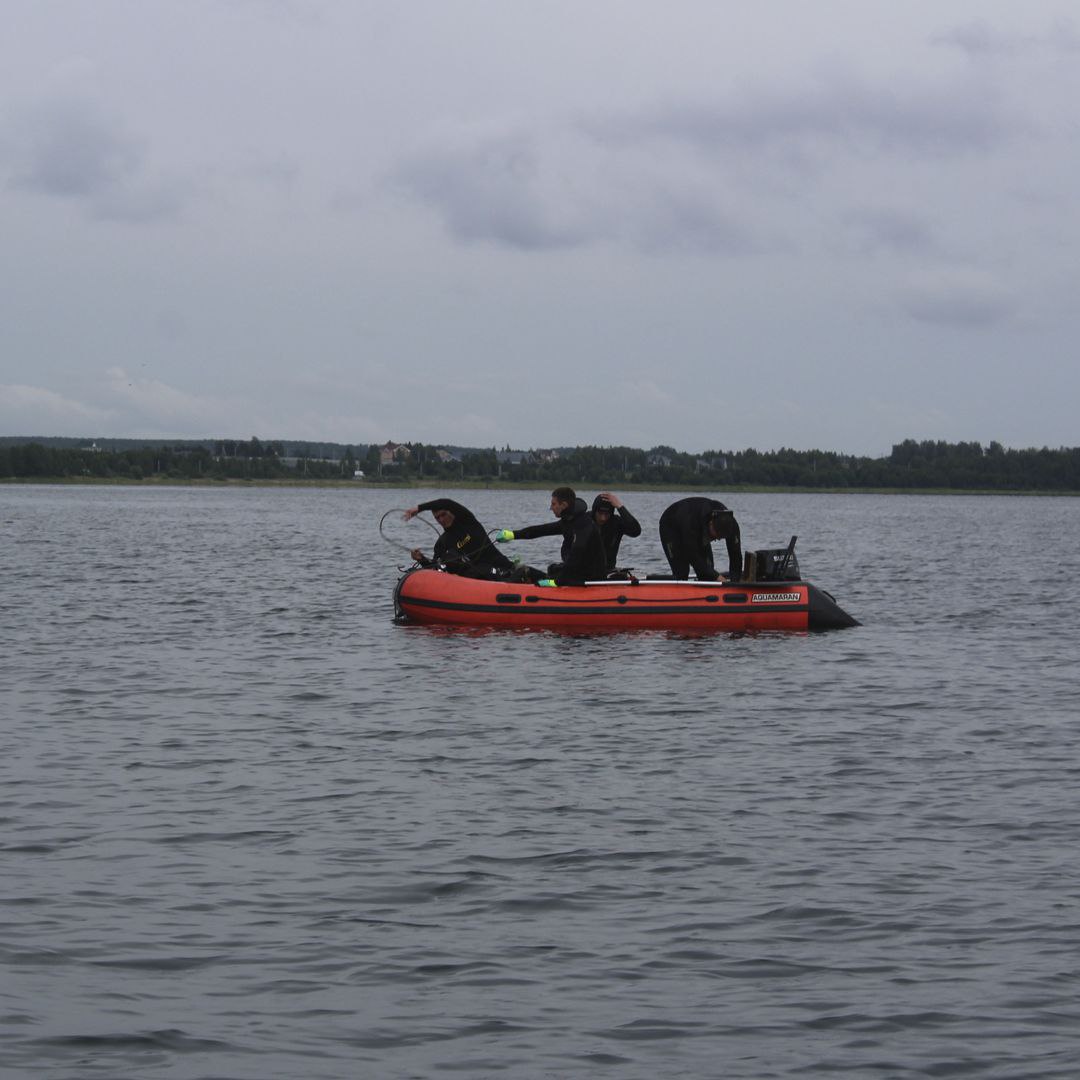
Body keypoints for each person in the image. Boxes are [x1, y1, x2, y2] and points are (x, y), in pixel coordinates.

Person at [495, 486, 606, 586]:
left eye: (553, 504)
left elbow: (576, 555)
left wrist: (557, 582)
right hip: (576, 572)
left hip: (590, 578)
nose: (551, 508)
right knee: (538, 570)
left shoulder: (583, 524)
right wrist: (513, 534)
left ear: (563, 505)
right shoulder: (568, 521)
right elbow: (541, 530)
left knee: (554, 572)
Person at [403, 498, 512, 574]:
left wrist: (419, 508)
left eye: (443, 514)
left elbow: (447, 502)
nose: (441, 520)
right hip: (478, 577)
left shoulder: (467, 520)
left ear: (451, 511)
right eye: (437, 517)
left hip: (499, 565)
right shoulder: (442, 542)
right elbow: (436, 568)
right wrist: (421, 559)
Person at [658, 496, 742, 581]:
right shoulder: (693, 523)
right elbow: (692, 555)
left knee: (708, 570)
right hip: (671, 525)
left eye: (719, 538)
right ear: (711, 523)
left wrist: (735, 582)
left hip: (698, 528)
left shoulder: (733, 526)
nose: (715, 540)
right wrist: (716, 576)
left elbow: (736, 555)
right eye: (713, 537)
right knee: (681, 571)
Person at [591, 492, 642, 572]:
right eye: (600, 513)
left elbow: (636, 531)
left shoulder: (616, 523)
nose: (603, 518)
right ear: (594, 511)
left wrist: (620, 507)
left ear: (611, 513)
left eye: (606, 514)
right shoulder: (585, 521)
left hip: (609, 570)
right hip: (585, 571)